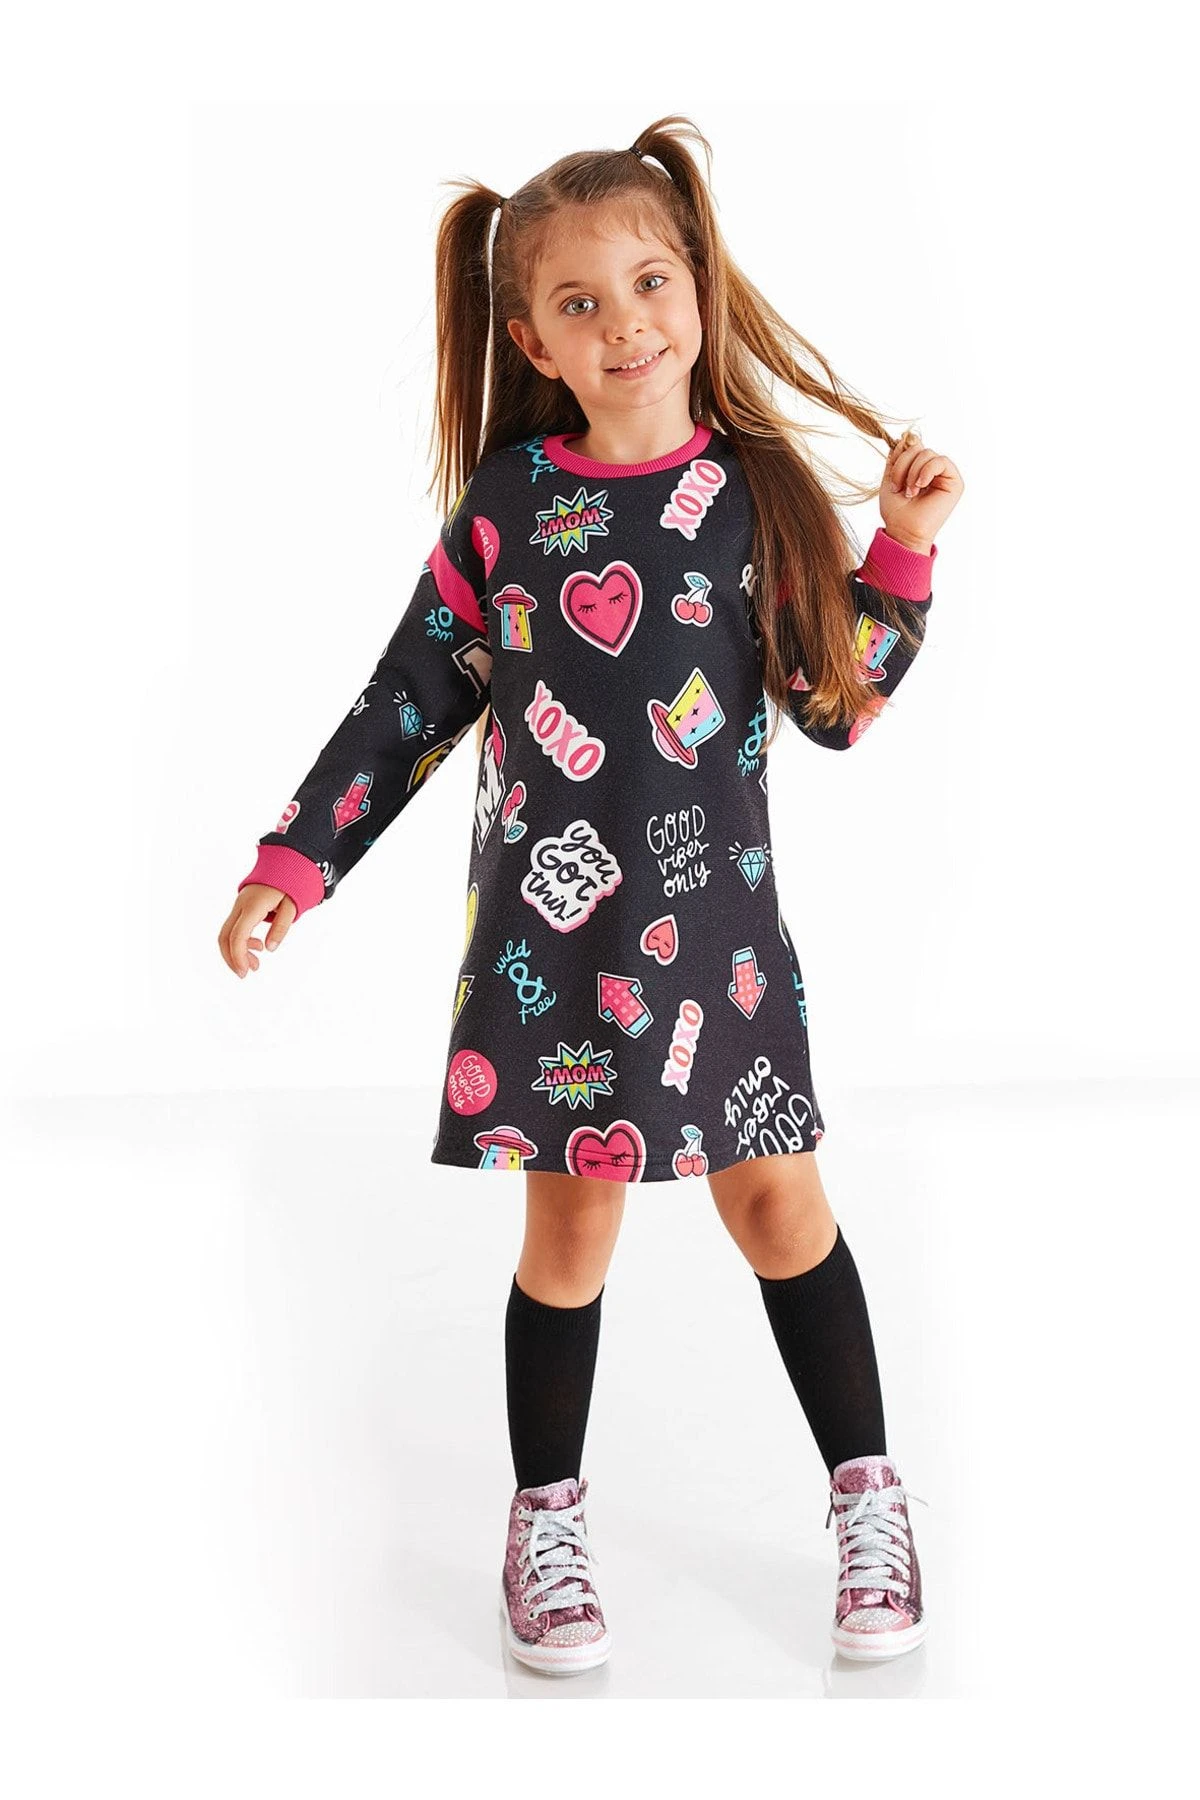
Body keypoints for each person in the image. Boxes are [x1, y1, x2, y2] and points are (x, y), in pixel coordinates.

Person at [217, 113, 965, 1679]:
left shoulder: (755, 495)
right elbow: (409, 703)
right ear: (530, 339)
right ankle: (545, 1520)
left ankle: (868, 1494)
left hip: (723, 951)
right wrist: (296, 859)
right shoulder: (508, 510)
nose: (624, 323)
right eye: (579, 301)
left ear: (697, 285)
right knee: (571, 1231)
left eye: (648, 282)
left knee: (783, 1209)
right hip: (552, 957)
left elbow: (835, 705)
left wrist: (900, 555)